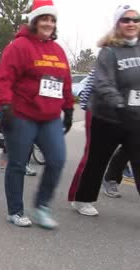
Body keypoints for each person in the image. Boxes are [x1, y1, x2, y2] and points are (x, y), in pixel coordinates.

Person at [0, 0, 74, 229]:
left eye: (52, 20)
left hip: (49, 117)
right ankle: (15, 211)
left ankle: (42, 207)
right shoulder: (20, 46)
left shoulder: (58, 51)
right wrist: (6, 106)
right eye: (44, 19)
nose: (48, 23)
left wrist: (68, 108)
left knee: (57, 160)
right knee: (18, 163)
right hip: (22, 114)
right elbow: (4, 78)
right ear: (35, 21)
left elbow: (65, 82)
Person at [69, 4, 140, 216]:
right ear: (118, 24)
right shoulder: (109, 51)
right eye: (126, 20)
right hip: (107, 116)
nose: (131, 24)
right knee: (97, 160)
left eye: (135, 20)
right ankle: (82, 199)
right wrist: (119, 104)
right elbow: (103, 82)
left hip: (135, 117)